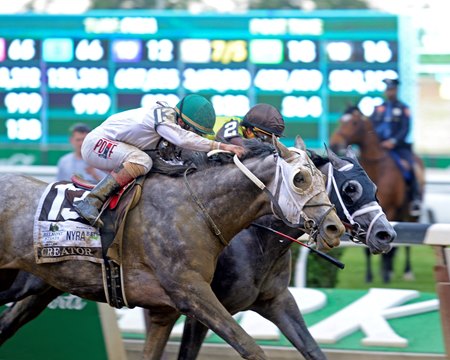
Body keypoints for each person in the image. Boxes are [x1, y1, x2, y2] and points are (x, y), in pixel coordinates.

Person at [73, 94, 245, 227]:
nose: (196, 136)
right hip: (95, 144)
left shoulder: (172, 123)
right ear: (180, 121)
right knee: (143, 161)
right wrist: (221, 146)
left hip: (121, 147)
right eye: (194, 131)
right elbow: (182, 139)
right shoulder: (162, 114)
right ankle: (91, 200)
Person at [370, 78, 422, 216]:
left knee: (410, 167)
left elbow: (405, 128)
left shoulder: (403, 108)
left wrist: (393, 141)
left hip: (398, 148)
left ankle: (415, 199)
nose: (389, 92)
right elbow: (371, 128)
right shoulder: (378, 109)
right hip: (380, 148)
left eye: (392, 89)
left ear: (396, 90)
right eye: (388, 89)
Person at [214, 103, 285, 146]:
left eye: (272, 140)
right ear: (249, 131)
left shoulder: (244, 132)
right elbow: (239, 146)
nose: (267, 144)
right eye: (264, 138)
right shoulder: (233, 126)